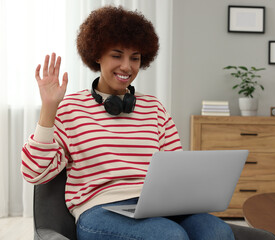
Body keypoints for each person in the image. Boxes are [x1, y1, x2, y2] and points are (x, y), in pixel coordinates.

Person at [21, 5, 235, 240]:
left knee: (217, 231)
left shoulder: (154, 108)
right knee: (169, 236)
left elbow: (176, 172)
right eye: (116, 55)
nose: (127, 66)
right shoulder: (70, 108)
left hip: (157, 208)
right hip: (100, 211)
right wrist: (49, 107)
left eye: (135, 58)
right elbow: (35, 173)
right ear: (97, 54)